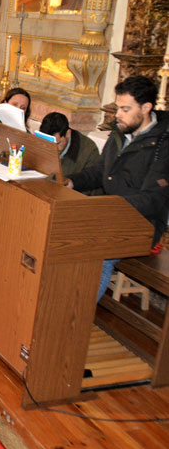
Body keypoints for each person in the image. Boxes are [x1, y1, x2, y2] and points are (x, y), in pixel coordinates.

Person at [66, 75, 169, 302]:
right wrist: (70, 181)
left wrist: (108, 207)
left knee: (98, 252)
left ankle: (76, 314)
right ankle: (60, 305)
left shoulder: (163, 143)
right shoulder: (120, 133)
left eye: (125, 108)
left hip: (144, 223)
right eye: (117, 107)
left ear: (146, 108)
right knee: (64, 237)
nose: (118, 114)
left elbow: (153, 199)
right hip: (112, 214)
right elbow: (98, 173)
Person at [39, 111, 101, 180]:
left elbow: (91, 182)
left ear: (68, 134)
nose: (53, 148)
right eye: (49, 144)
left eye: (57, 144)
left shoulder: (89, 151)